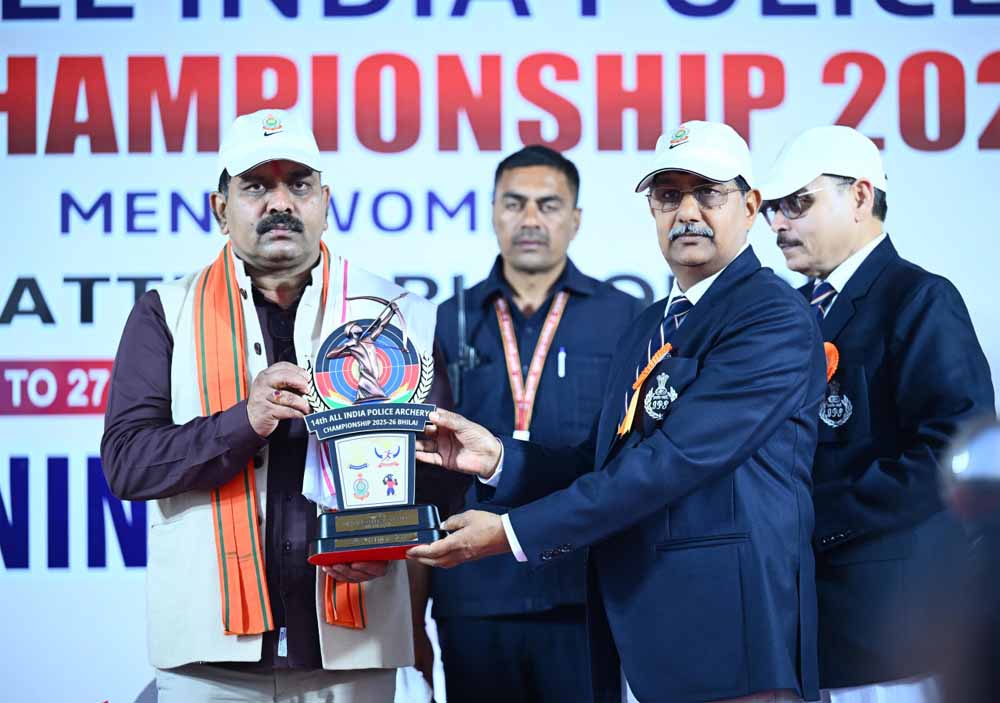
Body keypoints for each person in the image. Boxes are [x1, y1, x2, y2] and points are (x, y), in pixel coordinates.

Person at [409, 121, 826, 703]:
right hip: (649, 636)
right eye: (668, 195)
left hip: (735, 640)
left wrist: (511, 531)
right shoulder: (649, 324)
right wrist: (499, 459)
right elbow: (601, 463)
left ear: (751, 205)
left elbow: (669, 462)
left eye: (708, 193)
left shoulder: (772, 317)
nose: (687, 212)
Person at [101, 108, 455, 702]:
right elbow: (128, 464)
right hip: (208, 661)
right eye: (256, 187)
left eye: (299, 184)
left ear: (326, 202)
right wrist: (244, 422)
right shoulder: (166, 311)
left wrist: (387, 542)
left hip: (354, 651)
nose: (280, 203)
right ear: (220, 209)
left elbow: (438, 472)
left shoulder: (397, 314)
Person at [757, 125, 996, 703]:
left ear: (861, 196)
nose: (778, 223)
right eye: (771, 208)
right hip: (798, 630)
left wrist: (812, 516)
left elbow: (958, 453)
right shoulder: (788, 313)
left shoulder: (919, 298)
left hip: (891, 630)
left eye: (798, 203)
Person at [422, 145, 642, 703]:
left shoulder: (626, 318)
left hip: (581, 587)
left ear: (576, 219)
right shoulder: (447, 319)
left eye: (548, 205)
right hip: (474, 590)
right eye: (514, 203)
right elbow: (423, 468)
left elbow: (633, 461)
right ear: (493, 212)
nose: (530, 219)